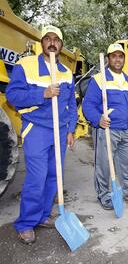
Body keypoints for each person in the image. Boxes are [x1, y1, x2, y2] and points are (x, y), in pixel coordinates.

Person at [6, 25, 77, 244]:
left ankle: (43, 215)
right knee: (37, 178)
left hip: (60, 130)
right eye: (48, 38)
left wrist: (71, 129)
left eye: (56, 39)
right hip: (36, 129)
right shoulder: (25, 66)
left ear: (61, 46)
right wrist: (43, 93)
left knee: (54, 177)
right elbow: (13, 95)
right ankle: (26, 223)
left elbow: (71, 105)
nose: (52, 42)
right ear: (41, 43)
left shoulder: (66, 73)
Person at [82, 43, 128, 209]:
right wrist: (98, 119)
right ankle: (104, 195)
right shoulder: (99, 80)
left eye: (120, 56)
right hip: (107, 130)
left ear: (124, 59)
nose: (117, 59)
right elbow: (88, 105)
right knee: (104, 165)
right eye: (114, 56)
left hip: (126, 130)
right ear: (108, 59)